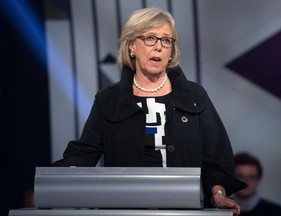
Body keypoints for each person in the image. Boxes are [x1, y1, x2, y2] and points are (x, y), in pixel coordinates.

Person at [52, 7, 246, 215]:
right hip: (124, 211)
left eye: (166, 40)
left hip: (185, 211)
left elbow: (215, 160)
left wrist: (218, 194)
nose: (159, 47)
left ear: (172, 50)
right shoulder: (109, 100)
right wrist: (66, 176)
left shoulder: (195, 97)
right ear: (131, 47)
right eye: (151, 38)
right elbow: (84, 153)